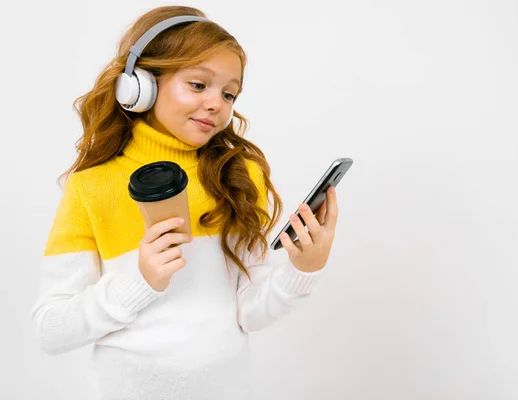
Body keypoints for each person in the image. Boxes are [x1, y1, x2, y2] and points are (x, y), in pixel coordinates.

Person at [30, 5, 339, 400]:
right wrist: (140, 282)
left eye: (229, 93)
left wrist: (303, 269)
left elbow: (249, 311)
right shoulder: (91, 188)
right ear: (139, 85)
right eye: (198, 85)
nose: (217, 104)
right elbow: (50, 330)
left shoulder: (239, 176)